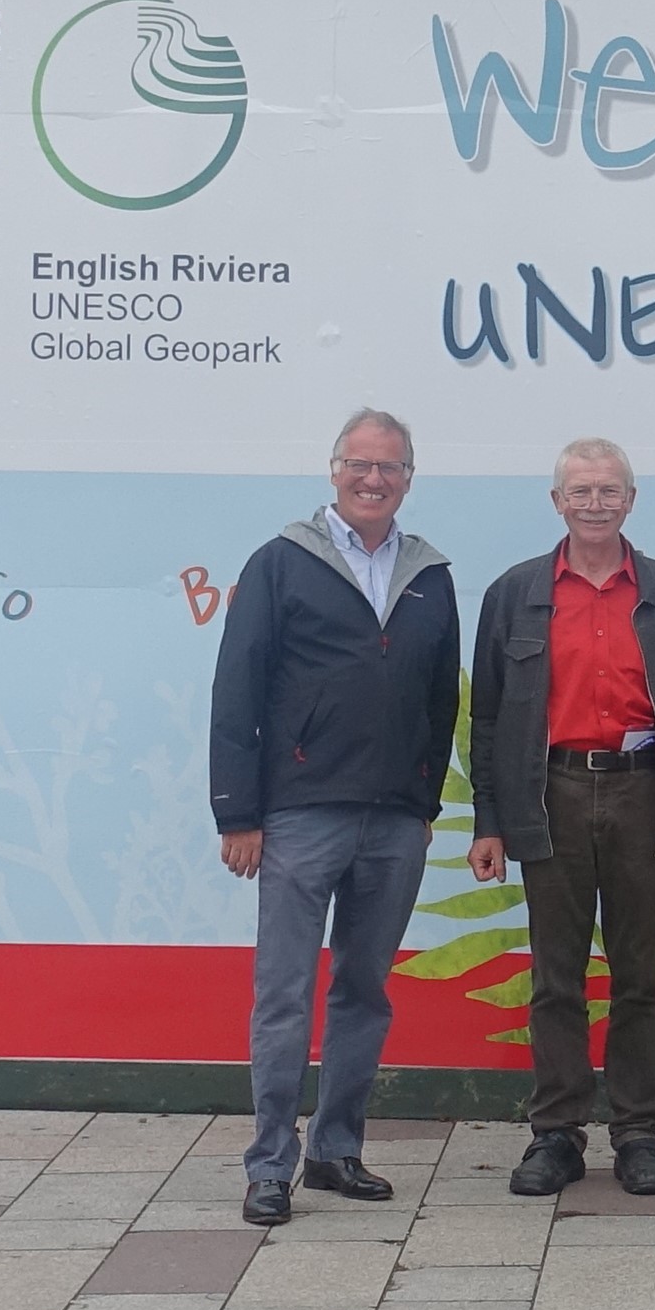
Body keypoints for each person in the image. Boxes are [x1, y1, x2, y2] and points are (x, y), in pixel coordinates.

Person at [209, 408, 460, 1228]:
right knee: (283, 994)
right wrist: (238, 814)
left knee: (364, 990)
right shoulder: (281, 564)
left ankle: (336, 1150)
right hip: (297, 816)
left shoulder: (430, 575)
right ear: (333, 470)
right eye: (359, 464)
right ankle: (269, 1164)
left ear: (408, 479)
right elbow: (236, 692)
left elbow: (438, 698)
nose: (372, 480)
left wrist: (425, 802)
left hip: (394, 822)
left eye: (389, 468)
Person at [463, 438, 655, 1200]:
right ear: (557, 502)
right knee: (556, 975)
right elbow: (487, 720)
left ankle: (640, 1134)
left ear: (631, 500)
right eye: (580, 491)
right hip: (551, 795)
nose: (595, 503)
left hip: (647, 794)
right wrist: (489, 820)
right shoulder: (515, 593)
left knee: (641, 974)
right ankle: (557, 1134)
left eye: (609, 490)